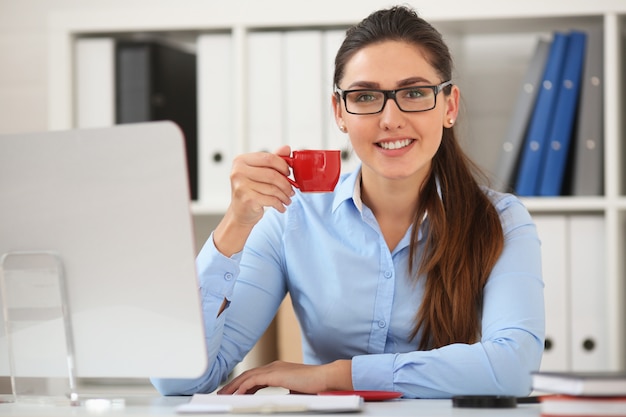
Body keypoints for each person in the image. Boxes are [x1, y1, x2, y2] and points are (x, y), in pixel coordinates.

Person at [151, 5, 544, 398]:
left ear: (449, 106)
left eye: (414, 92)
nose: (390, 118)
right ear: (340, 111)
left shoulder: (502, 220)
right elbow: (180, 378)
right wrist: (234, 225)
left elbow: (514, 368)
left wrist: (335, 375)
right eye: (366, 96)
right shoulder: (293, 217)